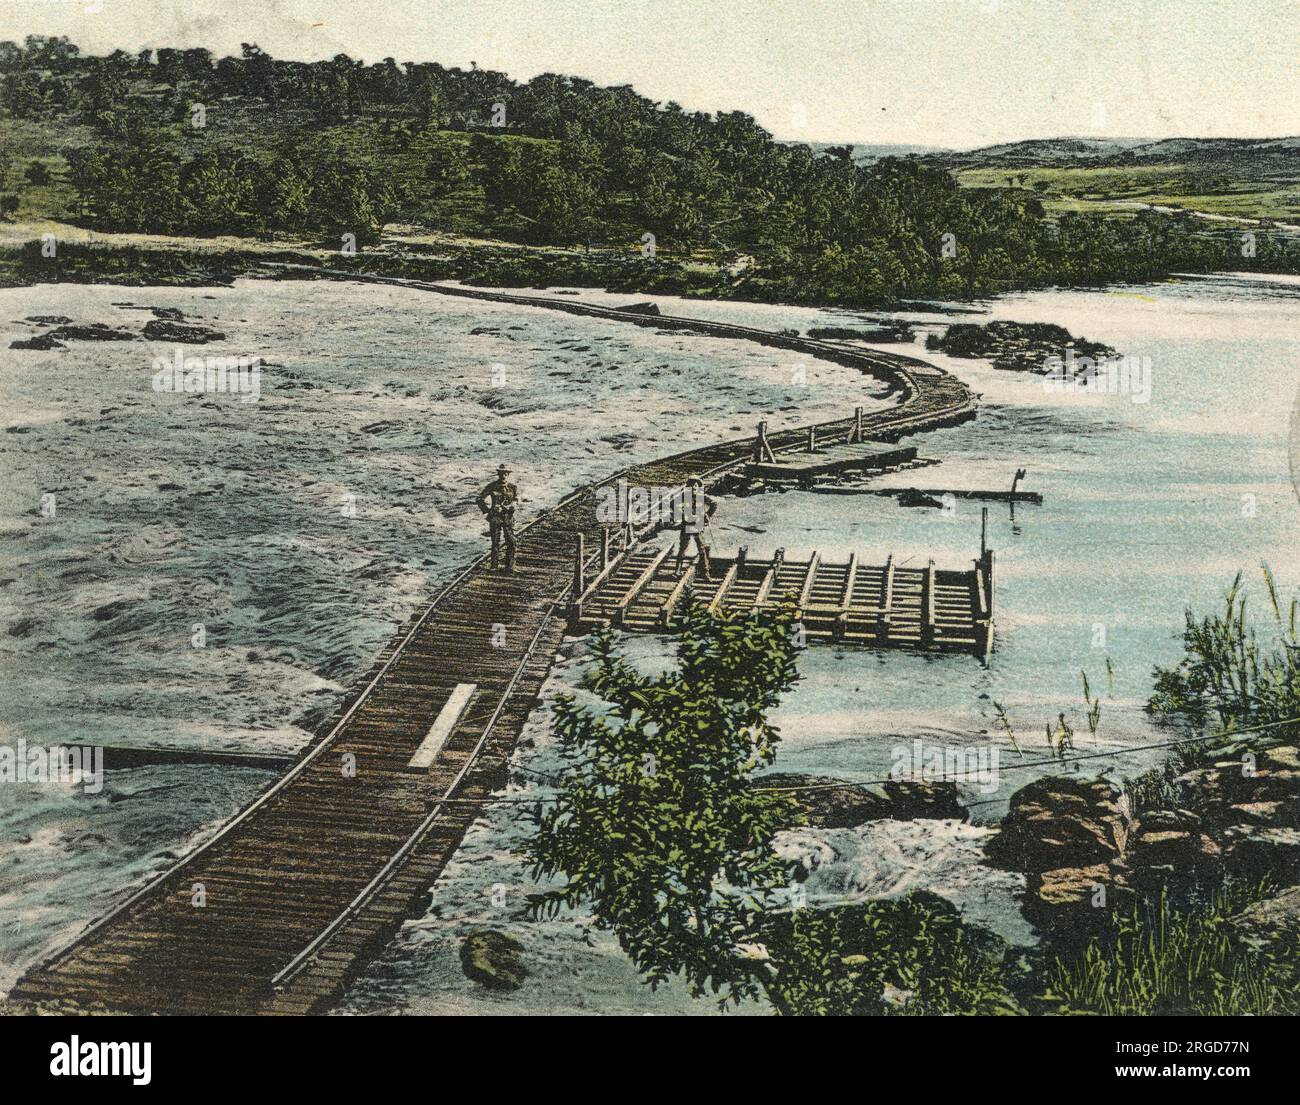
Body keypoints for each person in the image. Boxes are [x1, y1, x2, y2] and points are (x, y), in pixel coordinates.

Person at [477, 464, 518, 572]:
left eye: (505, 473)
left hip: (508, 517)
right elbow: (479, 498)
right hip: (495, 517)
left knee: (512, 542)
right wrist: (488, 511)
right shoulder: (492, 486)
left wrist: (511, 506)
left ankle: (509, 566)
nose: (503, 476)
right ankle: (494, 566)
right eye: (501, 474)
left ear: (508, 474)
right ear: (498, 474)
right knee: (495, 543)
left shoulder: (513, 487)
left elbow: (516, 500)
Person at [674, 476, 717, 580]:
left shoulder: (702, 496)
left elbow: (714, 504)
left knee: (702, 549)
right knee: (683, 548)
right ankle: (677, 570)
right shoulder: (684, 496)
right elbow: (672, 504)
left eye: (696, 485)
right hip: (686, 524)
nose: (694, 487)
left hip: (697, 525)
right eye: (692, 485)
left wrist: (707, 515)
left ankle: (705, 572)